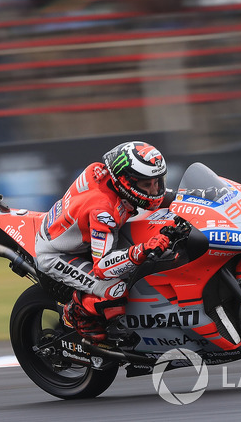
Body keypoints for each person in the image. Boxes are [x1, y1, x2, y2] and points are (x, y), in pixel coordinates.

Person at [34, 141, 172, 344]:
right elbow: (103, 268)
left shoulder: (102, 172)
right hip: (57, 253)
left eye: (157, 182)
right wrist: (141, 251)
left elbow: (160, 199)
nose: (154, 190)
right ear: (126, 182)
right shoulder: (103, 212)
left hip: (79, 234)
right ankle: (76, 313)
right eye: (146, 184)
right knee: (115, 288)